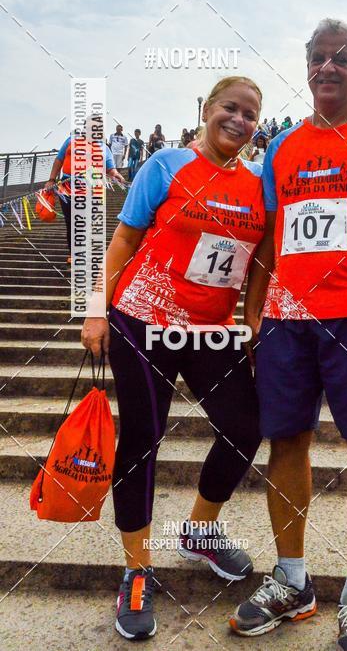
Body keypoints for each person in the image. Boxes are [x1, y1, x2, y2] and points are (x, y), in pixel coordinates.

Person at [230, 19, 347, 649]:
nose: (328, 68)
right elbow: (264, 239)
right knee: (285, 445)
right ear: (306, 66)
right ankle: (291, 581)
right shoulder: (281, 150)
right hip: (287, 321)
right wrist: (253, 316)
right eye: (318, 58)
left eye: (341, 59)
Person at [81, 76, 266, 642]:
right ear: (206, 110)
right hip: (141, 319)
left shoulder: (260, 186)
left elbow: (260, 262)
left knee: (245, 425)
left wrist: (253, 320)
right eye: (230, 109)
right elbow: (123, 241)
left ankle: (200, 531)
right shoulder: (165, 165)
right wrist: (95, 310)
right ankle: (137, 570)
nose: (239, 120)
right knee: (144, 434)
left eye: (251, 114)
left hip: (208, 330)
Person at [44, 122, 125, 264]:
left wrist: (116, 174)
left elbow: (110, 168)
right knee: (71, 221)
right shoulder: (71, 141)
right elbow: (59, 159)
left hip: (91, 188)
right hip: (67, 186)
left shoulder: (104, 148)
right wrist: (51, 179)